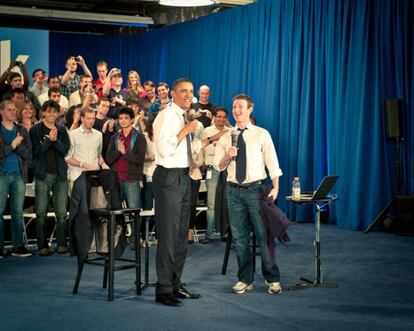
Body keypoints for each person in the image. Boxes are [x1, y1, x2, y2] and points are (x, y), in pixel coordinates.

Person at [152, 77, 226, 306]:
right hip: (168, 178)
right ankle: (163, 289)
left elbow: (189, 148)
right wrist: (187, 129)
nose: (187, 94)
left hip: (184, 176)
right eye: (183, 91)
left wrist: (211, 139)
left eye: (190, 91)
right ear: (172, 93)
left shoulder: (184, 116)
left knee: (183, 233)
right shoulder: (166, 116)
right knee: (169, 234)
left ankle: (175, 283)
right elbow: (164, 150)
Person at [213, 94, 283, 295]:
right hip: (233, 191)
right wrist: (228, 155)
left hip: (256, 190)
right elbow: (218, 166)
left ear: (250, 109)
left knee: (263, 236)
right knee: (240, 239)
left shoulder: (261, 134)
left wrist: (276, 187)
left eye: (241, 107)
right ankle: (245, 279)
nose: (236, 110)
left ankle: (272, 279)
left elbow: (272, 162)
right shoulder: (226, 136)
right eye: (234, 106)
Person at [30, 100, 70, 256]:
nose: (52, 114)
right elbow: (36, 151)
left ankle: (61, 244)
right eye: (49, 111)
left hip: (60, 176)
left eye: (55, 111)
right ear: (43, 113)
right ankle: (42, 246)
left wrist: (55, 140)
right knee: (41, 213)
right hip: (43, 175)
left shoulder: (62, 130)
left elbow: (64, 151)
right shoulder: (35, 130)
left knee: (61, 213)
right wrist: (48, 140)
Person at [0, 100, 32, 259]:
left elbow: (28, 155)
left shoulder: (21, 131)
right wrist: (12, 145)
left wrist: (18, 145)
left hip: (19, 175)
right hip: (2, 175)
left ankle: (18, 245)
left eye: (14, 110)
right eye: (9, 110)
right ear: (2, 112)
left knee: (17, 212)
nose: (13, 112)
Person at [106, 107, 146, 229]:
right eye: (121, 118)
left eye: (126, 118)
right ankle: (119, 240)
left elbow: (140, 160)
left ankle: (135, 241)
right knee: (116, 212)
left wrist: (125, 153)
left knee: (134, 211)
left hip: (131, 180)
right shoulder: (115, 137)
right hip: (116, 179)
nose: (123, 121)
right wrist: (119, 151)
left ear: (132, 120)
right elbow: (108, 159)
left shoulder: (139, 137)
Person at [200, 107, 229, 243]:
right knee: (211, 204)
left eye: (224, 117)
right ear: (214, 117)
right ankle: (209, 234)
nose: (221, 119)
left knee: (226, 202)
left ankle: (225, 233)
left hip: (227, 170)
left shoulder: (230, 131)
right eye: (219, 116)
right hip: (212, 169)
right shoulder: (207, 131)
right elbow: (206, 148)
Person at [65, 107, 110, 189]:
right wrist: (84, 165)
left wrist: (103, 164)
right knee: (78, 202)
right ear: (82, 118)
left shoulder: (99, 135)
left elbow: (98, 154)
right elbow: (68, 158)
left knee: (96, 202)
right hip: (77, 177)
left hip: (94, 177)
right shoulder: (72, 134)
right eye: (89, 118)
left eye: (93, 118)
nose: (91, 121)